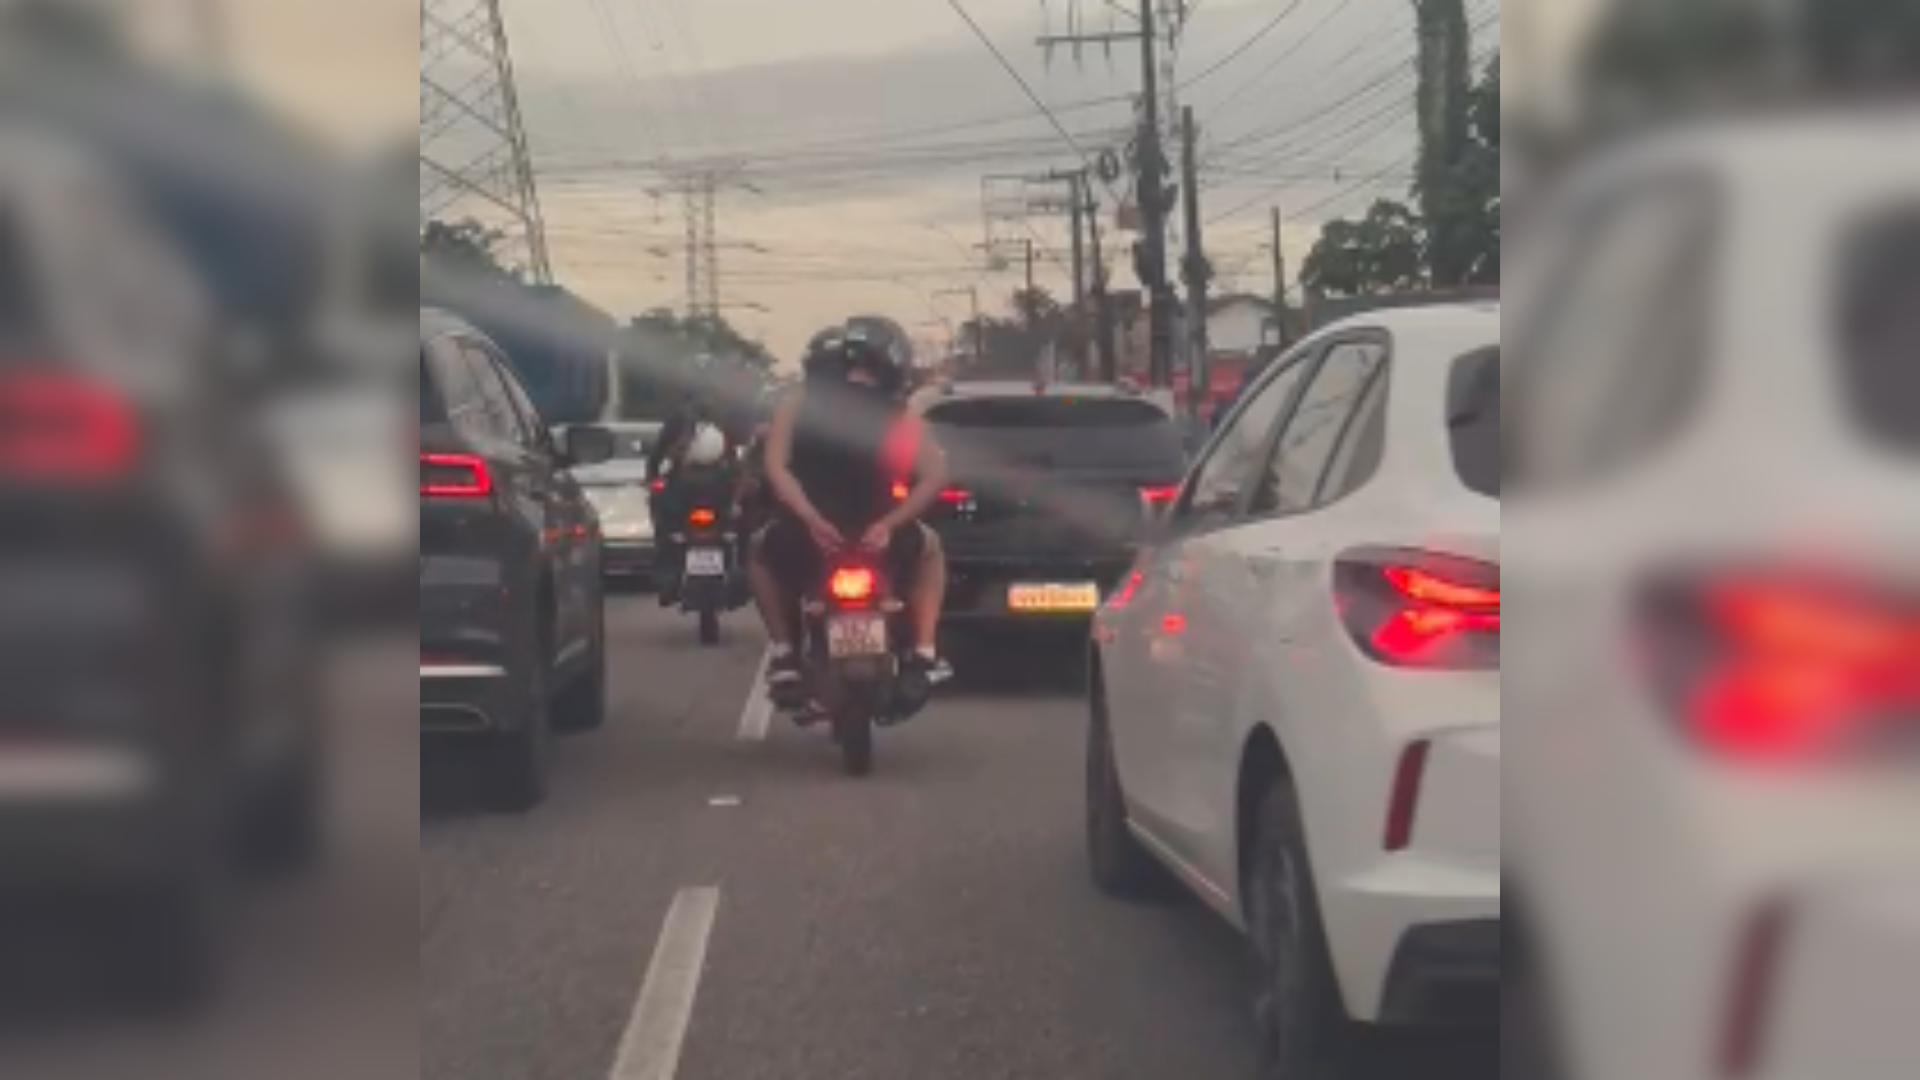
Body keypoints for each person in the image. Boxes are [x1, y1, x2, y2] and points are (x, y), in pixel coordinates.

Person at [749, 318, 953, 696]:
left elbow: (778, 468)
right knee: (931, 552)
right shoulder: (900, 415)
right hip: (881, 536)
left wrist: (811, 520)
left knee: (759, 553)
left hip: (809, 536)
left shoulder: (798, 406)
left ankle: (785, 653)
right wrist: (889, 525)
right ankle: (925, 651)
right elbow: (934, 476)